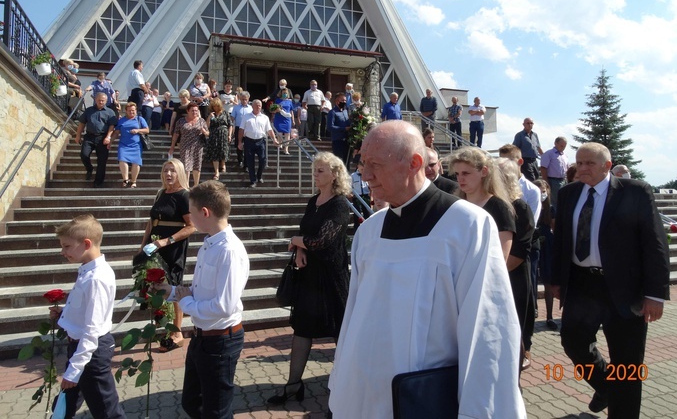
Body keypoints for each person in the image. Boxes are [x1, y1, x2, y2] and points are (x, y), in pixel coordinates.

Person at [329, 122, 525, 418]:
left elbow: (488, 333)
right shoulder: (368, 233)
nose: (364, 175)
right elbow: (353, 319)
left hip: (428, 400)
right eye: (362, 163)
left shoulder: (468, 226)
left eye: (374, 165)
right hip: (365, 398)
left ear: (415, 163)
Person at [550, 142, 670, 416]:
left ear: (607, 165)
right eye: (579, 163)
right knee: (572, 340)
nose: (582, 169)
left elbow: (655, 243)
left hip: (625, 289)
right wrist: (556, 279)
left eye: (589, 163)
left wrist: (655, 294)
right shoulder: (569, 194)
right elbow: (561, 241)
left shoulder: (635, 192)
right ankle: (606, 385)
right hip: (582, 284)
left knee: (626, 362)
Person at [156, 181, 249, 419]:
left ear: (204, 212)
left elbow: (223, 306)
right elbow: (199, 292)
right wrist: (172, 291)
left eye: (191, 211)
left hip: (220, 341)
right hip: (202, 337)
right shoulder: (209, 244)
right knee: (192, 403)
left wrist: (184, 303)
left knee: (216, 411)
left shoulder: (228, 250)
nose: (189, 217)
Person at [267, 153, 351, 406]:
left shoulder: (339, 204)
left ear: (335, 174)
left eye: (321, 171)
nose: (315, 174)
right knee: (302, 329)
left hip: (331, 277)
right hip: (309, 276)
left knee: (340, 331)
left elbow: (322, 241)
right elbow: (307, 235)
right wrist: (301, 249)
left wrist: (296, 242)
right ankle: (293, 385)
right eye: (315, 170)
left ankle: (347, 386)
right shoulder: (313, 200)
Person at [52, 215, 127, 419]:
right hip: (80, 350)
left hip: (90, 354)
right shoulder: (87, 271)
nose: (63, 252)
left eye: (67, 246)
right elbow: (85, 311)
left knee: (106, 411)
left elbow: (92, 328)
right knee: (63, 405)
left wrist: (74, 370)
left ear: (86, 244)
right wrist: (64, 315)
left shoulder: (97, 278)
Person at [138, 159, 196, 352]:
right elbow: (151, 222)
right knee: (155, 285)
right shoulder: (160, 193)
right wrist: (143, 245)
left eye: (172, 170)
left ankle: (177, 332)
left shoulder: (184, 196)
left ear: (179, 172)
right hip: (153, 246)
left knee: (173, 286)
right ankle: (161, 325)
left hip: (173, 247)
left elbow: (191, 226)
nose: (168, 174)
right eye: (165, 170)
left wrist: (167, 241)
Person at [496, 157, 536, 372]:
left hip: (514, 275)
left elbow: (520, 250)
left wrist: (494, 274)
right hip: (496, 275)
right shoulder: (494, 203)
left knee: (516, 322)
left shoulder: (520, 207)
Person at [75, 93, 117, 188]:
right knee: (84, 154)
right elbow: (82, 124)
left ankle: (98, 182)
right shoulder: (89, 110)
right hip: (89, 137)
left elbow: (112, 126)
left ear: (106, 101)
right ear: (95, 99)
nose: (100, 102)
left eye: (103, 100)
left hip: (102, 138)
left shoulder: (110, 112)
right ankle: (89, 169)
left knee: (102, 161)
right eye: (99, 100)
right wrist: (78, 135)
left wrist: (108, 137)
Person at [533, 179, 557, 331]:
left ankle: (550, 316)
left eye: (544, 190)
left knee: (548, 280)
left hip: (548, 244)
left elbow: (555, 227)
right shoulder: (530, 205)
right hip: (534, 242)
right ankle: (533, 310)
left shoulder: (551, 209)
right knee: (533, 278)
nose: (542, 193)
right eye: (538, 190)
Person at [237, 99, 279, 187]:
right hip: (249, 141)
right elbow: (241, 130)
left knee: (263, 160)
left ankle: (259, 175)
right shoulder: (246, 116)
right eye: (256, 105)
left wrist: (274, 139)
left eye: (260, 105)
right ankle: (253, 180)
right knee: (250, 162)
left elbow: (269, 130)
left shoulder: (265, 117)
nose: (258, 107)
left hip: (261, 141)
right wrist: (240, 142)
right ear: (252, 106)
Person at [169, 103, 210, 187]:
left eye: (196, 110)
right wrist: (172, 146)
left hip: (198, 146)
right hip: (185, 146)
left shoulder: (201, 121)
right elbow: (176, 134)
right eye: (192, 110)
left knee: (197, 166)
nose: (194, 112)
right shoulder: (181, 121)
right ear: (188, 111)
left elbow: (207, 133)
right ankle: (186, 185)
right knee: (186, 166)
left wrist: (205, 132)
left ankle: (196, 185)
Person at [112, 102, 149, 188]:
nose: (131, 112)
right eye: (129, 111)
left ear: (136, 110)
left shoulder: (140, 119)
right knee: (122, 160)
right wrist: (110, 141)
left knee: (136, 162)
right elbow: (116, 132)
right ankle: (125, 180)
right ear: (126, 111)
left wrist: (138, 130)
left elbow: (147, 130)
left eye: (133, 110)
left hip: (136, 145)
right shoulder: (121, 120)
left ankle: (133, 181)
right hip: (123, 144)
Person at [204, 98, 233, 180]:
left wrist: (230, 135)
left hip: (223, 133)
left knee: (223, 150)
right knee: (214, 152)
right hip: (213, 134)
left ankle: (223, 164)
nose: (215, 108)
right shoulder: (211, 114)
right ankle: (216, 172)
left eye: (217, 106)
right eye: (214, 106)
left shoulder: (225, 113)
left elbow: (230, 125)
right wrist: (209, 117)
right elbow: (207, 126)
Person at [541, 136, 570, 207]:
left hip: (563, 180)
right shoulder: (549, 154)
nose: (563, 147)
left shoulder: (565, 156)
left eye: (564, 146)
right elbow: (543, 168)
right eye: (561, 145)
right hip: (553, 181)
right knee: (555, 202)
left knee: (563, 200)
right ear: (555, 143)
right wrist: (546, 182)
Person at [230, 91, 252, 169]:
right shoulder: (236, 108)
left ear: (248, 99)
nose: (244, 101)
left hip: (248, 129)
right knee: (238, 145)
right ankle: (240, 160)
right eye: (242, 99)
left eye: (245, 99)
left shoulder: (251, 108)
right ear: (240, 99)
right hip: (238, 128)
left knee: (247, 146)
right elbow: (232, 118)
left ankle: (246, 164)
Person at [327, 92, 350, 164]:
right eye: (343, 101)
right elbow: (330, 127)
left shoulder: (346, 111)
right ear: (337, 101)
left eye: (345, 101)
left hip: (347, 141)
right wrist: (343, 129)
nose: (344, 102)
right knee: (339, 163)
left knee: (347, 163)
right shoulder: (332, 112)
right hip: (338, 142)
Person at [272, 88, 294, 155]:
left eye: (286, 93)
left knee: (287, 134)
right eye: (283, 93)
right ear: (281, 93)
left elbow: (291, 111)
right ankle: (279, 146)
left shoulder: (290, 101)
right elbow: (273, 110)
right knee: (279, 133)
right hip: (279, 119)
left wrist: (293, 120)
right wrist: (277, 111)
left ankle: (286, 149)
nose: (285, 94)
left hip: (287, 119)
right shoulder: (277, 100)